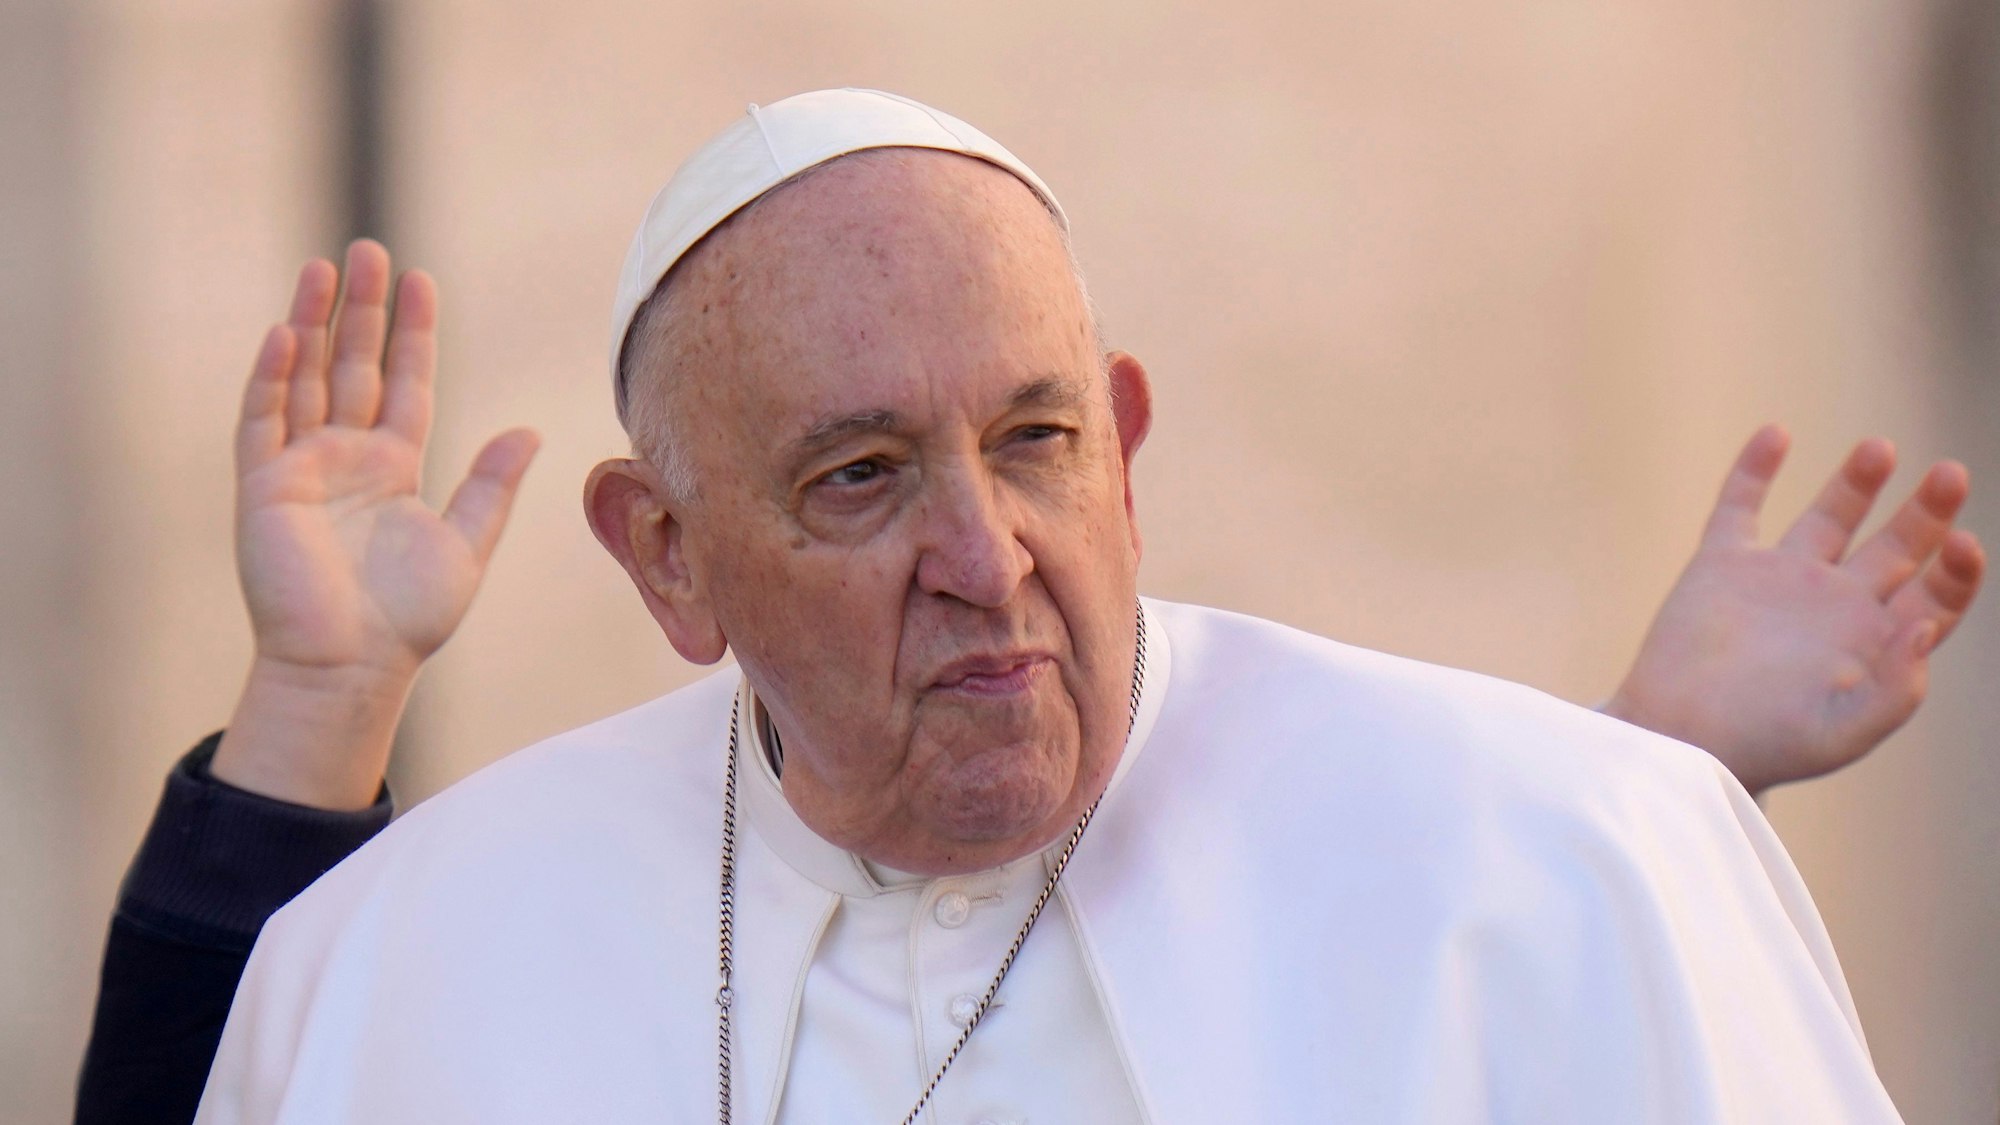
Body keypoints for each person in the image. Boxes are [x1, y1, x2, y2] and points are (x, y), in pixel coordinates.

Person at [99, 89, 1985, 1122]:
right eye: (859, 477)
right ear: (668, 557)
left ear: (1129, 448)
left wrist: (1628, 792)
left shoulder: (1574, 859)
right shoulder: (410, 962)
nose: (986, 558)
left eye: (1035, 438)